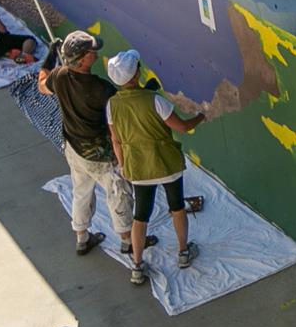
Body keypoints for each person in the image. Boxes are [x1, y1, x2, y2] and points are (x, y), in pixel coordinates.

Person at [40, 31, 148, 260]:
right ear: (82, 59)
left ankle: (82, 237)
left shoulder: (58, 76)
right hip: (101, 154)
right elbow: (122, 112)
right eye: (92, 51)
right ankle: (128, 241)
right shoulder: (101, 89)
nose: (96, 52)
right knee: (118, 193)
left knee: (81, 192)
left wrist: (49, 59)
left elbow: (42, 85)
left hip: (73, 148)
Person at [106, 50, 204, 285]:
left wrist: (123, 165)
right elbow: (181, 127)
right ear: (136, 74)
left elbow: (115, 140)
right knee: (177, 207)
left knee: (141, 216)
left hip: (137, 166)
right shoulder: (155, 101)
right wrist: (201, 116)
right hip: (165, 162)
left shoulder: (111, 105)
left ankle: (137, 266)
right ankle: (183, 253)